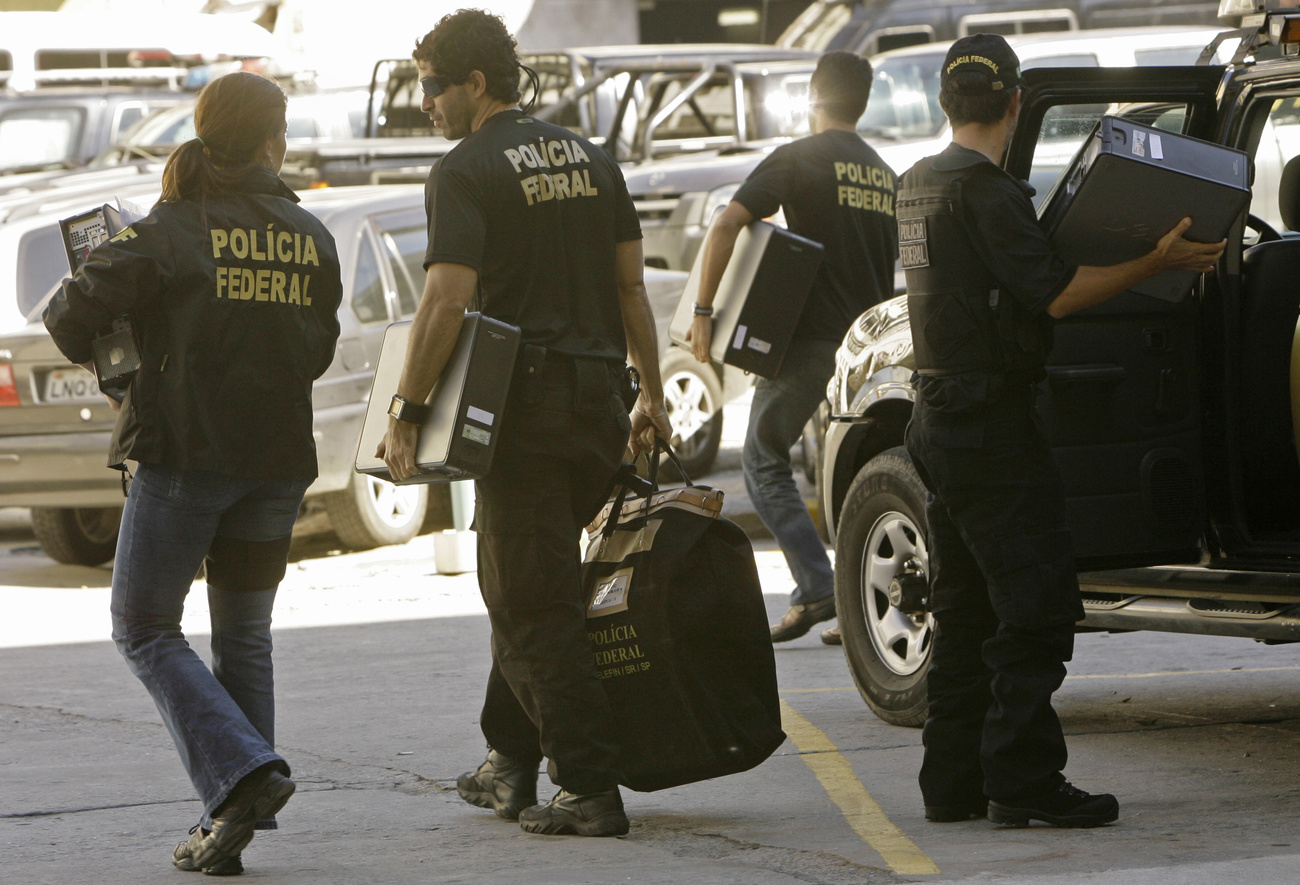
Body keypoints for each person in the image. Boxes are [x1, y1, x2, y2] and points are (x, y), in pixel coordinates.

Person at [898, 34, 1225, 828]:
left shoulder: (916, 184)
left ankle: (952, 783)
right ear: (1013, 103)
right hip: (991, 426)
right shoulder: (989, 191)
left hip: (936, 419)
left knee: (968, 607)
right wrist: (1158, 259)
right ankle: (1023, 776)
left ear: (948, 103)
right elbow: (1055, 294)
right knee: (1035, 607)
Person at [378, 10, 671, 837]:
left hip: (525, 416)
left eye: (433, 86)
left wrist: (406, 410)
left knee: (529, 597)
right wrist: (650, 393)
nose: (426, 102)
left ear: (476, 84)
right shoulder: (593, 156)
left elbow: (447, 296)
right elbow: (630, 291)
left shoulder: (464, 169)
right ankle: (509, 760)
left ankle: (585, 784)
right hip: (597, 411)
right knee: (530, 577)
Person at [43, 72, 343, 873]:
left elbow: (66, 318)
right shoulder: (310, 234)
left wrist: (127, 333)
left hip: (187, 457)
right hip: (278, 461)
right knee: (245, 636)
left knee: (142, 626)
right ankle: (236, 811)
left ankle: (240, 775)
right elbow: (316, 350)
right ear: (274, 141)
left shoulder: (164, 232)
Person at [688, 51, 898, 643]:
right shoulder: (884, 172)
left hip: (809, 342)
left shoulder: (799, 159)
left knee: (761, 457)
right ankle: (859, 607)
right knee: (848, 472)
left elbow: (728, 223)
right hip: (868, 348)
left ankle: (815, 586)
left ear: (812, 97)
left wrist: (704, 312)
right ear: (862, 102)